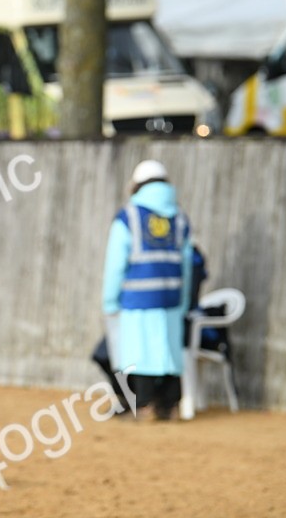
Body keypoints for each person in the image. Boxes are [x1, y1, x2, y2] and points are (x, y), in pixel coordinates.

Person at [101, 160, 193, 420]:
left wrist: (109, 301)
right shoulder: (180, 217)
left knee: (139, 354)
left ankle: (144, 405)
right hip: (172, 298)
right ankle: (170, 407)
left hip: (137, 299)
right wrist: (183, 301)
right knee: (169, 354)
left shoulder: (128, 216)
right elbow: (187, 264)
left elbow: (115, 264)